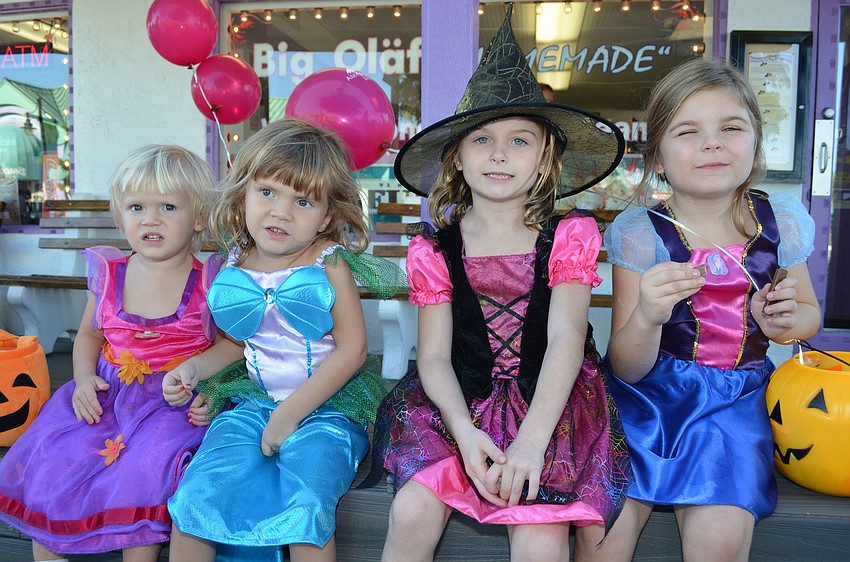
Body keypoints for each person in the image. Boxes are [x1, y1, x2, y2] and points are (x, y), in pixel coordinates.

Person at [372, 7, 630, 562]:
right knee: (411, 509)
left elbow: (565, 338)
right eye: (482, 139)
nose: (498, 153)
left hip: (551, 404)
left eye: (519, 141)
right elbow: (434, 358)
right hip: (458, 400)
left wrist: (533, 442)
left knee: (540, 529)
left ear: (543, 161)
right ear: (457, 159)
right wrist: (464, 434)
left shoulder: (568, 237)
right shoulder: (434, 250)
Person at [592, 58, 822, 562]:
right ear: (657, 156)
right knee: (600, 535)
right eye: (688, 131)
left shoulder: (779, 222)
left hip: (734, 405)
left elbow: (808, 317)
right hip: (643, 405)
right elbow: (627, 366)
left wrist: (786, 320)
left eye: (731, 128)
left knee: (717, 541)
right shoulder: (640, 231)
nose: (712, 142)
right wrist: (648, 316)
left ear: (755, 143)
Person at [166, 118, 402, 562]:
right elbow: (237, 345)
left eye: (303, 201)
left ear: (328, 215)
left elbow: (352, 350)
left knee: (306, 504)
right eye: (268, 192)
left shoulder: (327, 263)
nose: (281, 212)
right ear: (244, 193)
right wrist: (192, 369)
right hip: (255, 404)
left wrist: (290, 414)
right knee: (196, 497)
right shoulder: (235, 263)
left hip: (324, 409)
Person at [0, 145, 245, 562]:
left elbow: (233, 346)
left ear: (199, 218)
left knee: (146, 466)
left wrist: (199, 374)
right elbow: (88, 336)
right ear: (121, 216)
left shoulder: (211, 280)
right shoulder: (110, 274)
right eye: (136, 207)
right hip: (108, 397)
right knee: (52, 459)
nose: (150, 218)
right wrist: (81, 379)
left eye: (168, 206)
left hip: (170, 406)